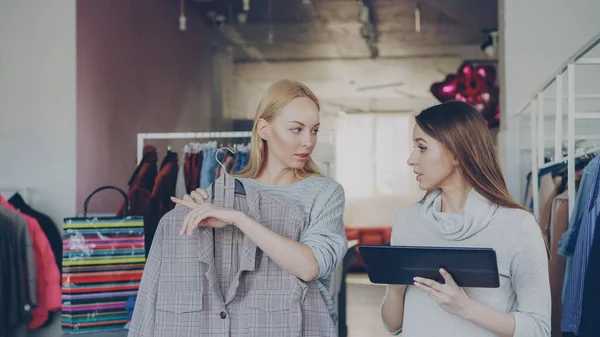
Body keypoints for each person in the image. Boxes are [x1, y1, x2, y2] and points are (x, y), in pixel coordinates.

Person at [170, 79, 347, 320]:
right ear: (264, 129)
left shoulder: (326, 192)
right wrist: (196, 210)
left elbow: (310, 267)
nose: (309, 141)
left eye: (314, 129)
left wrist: (239, 219)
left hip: (302, 326)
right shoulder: (227, 191)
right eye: (297, 129)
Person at [381, 101, 551, 337]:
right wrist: (395, 290)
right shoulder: (406, 221)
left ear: (457, 153)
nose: (411, 159)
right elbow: (393, 326)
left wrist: (466, 308)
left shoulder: (517, 226)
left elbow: (539, 329)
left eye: (421, 147)